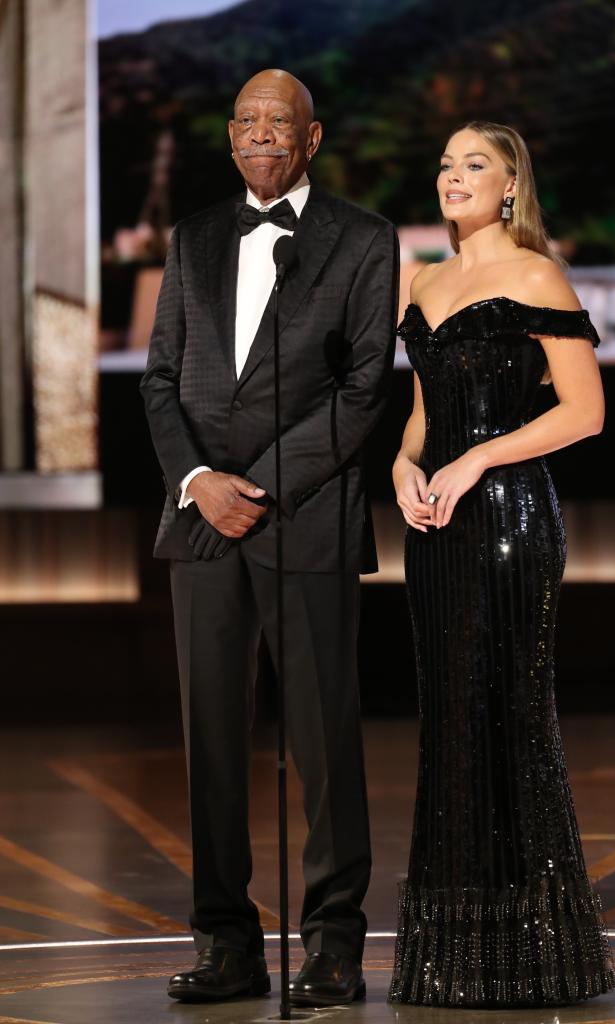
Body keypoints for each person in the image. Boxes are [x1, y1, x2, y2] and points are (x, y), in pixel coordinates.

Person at [140, 68, 399, 1007]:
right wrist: (202, 483)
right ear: (229, 133)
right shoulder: (193, 236)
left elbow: (365, 386)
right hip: (202, 520)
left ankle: (333, 941)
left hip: (308, 515)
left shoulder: (363, 240)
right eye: (245, 120)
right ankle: (226, 942)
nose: (260, 134)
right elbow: (160, 378)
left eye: (277, 122)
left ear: (311, 139)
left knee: (324, 738)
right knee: (211, 738)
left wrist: (265, 484)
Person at [388, 121, 615, 1008]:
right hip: (435, 524)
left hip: (510, 522)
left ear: (512, 183)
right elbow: (420, 413)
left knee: (507, 714)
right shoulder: (426, 279)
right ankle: (454, 958)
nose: (452, 176)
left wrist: (478, 457)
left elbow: (586, 412)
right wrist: (404, 466)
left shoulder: (534, 275)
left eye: (473, 164)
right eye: (444, 162)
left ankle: (537, 955)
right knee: (448, 721)